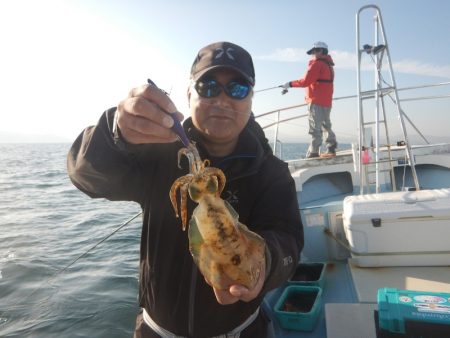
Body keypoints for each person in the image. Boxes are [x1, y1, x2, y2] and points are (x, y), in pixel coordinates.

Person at [67, 41, 303, 338]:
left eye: (238, 89)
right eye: (208, 86)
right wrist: (115, 133)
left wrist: (264, 261)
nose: (222, 99)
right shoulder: (156, 153)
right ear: (188, 93)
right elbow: (86, 176)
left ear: (251, 99)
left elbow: (289, 241)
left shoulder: (271, 172)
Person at [282, 41, 337, 158]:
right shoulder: (329, 65)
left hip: (316, 101)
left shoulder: (317, 64)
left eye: (315, 51)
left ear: (321, 51)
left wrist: (289, 84)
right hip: (326, 101)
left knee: (315, 128)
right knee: (326, 125)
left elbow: (306, 81)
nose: (313, 54)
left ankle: (314, 152)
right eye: (312, 52)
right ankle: (331, 148)